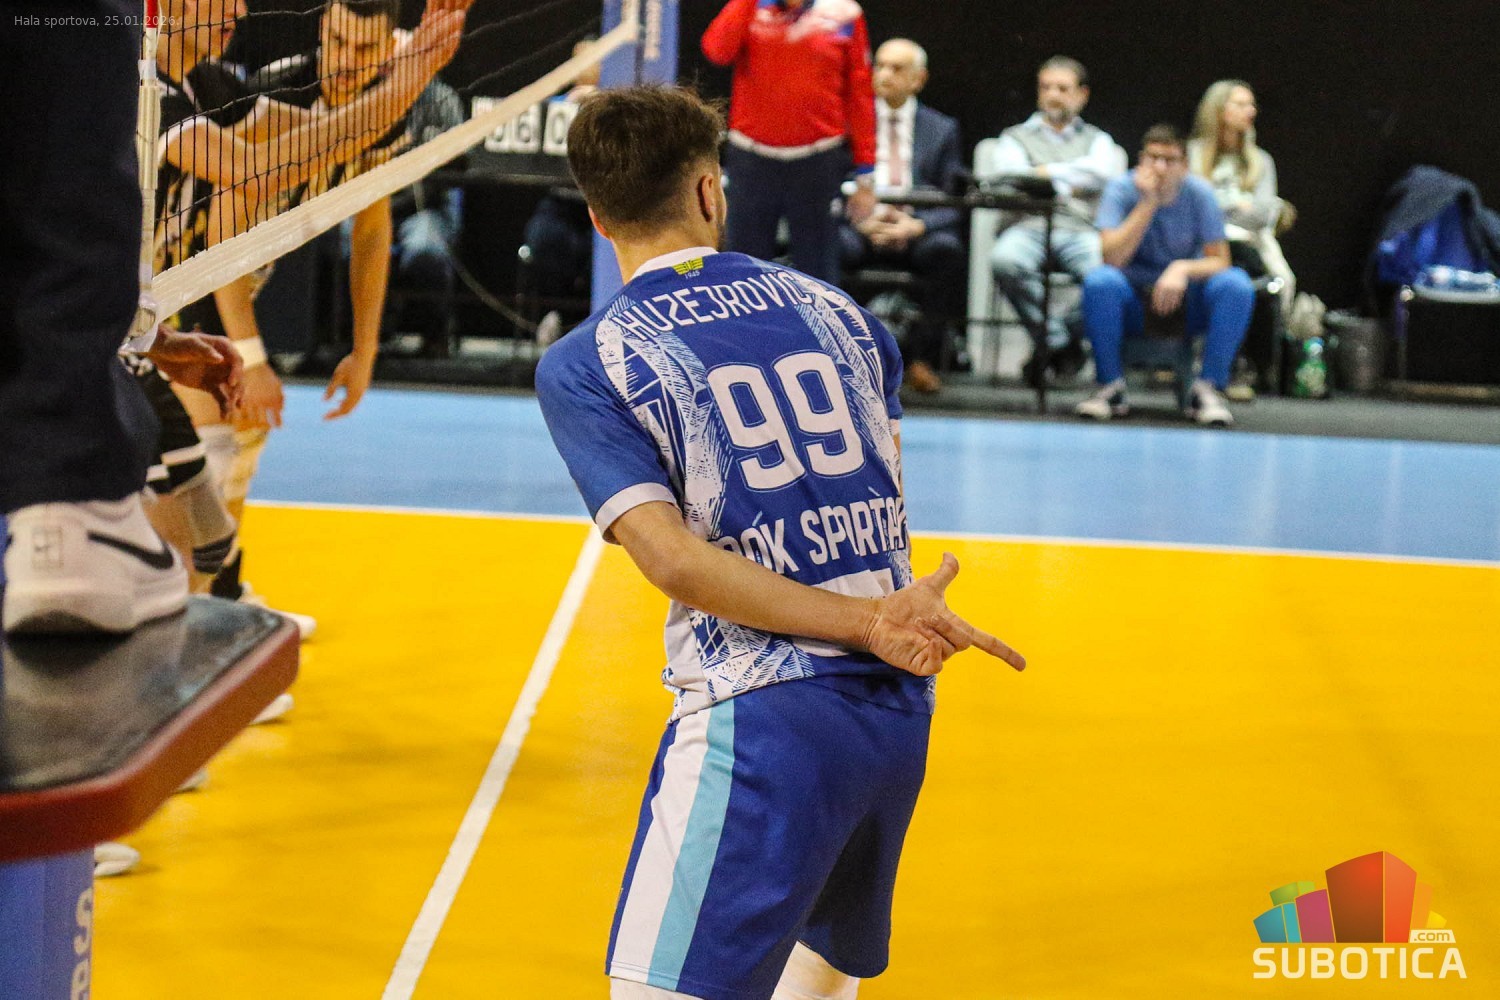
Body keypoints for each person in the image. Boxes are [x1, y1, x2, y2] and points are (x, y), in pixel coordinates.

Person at [536, 85, 1024, 1000]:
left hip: (763, 719)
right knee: (819, 975)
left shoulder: (588, 362)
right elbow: (881, 496)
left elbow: (672, 561)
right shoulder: (840, 311)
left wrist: (865, 622)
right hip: (896, 710)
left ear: (597, 217)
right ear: (710, 190)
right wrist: (879, 617)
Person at [0, 2, 242, 635]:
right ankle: (73, 509)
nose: (238, 10)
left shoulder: (211, 87)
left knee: (209, 530)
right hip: (78, 369)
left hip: (110, 336)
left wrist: (148, 334)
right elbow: (249, 169)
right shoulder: (153, 88)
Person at [1077, 124, 1255, 426]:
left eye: (1169, 160)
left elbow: (1220, 260)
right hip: (1134, 301)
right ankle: (1110, 387)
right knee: (1100, 281)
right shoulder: (1120, 190)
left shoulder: (1200, 194)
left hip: (1185, 303)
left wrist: (1181, 268)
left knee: (1236, 284)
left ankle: (1207, 389)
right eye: (1152, 158)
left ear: (1184, 166)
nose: (1159, 167)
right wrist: (1148, 203)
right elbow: (1112, 258)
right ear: (1140, 160)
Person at [703, 0, 878, 283]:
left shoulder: (845, 12)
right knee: (743, 272)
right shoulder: (750, 7)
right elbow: (717, 51)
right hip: (753, 162)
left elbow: (860, 95)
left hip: (818, 164)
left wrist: (866, 175)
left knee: (819, 273)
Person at [985, 56, 1125, 384]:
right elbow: (1009, 174)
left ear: (1082, 95)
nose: (1053, 95)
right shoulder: (1014, 137)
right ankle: (1061, 342)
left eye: (1062, 89)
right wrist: (1071, 181)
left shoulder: (1098, 140)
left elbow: (1102, 173)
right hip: (1026, 227)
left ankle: (1054, 341)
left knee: (1104, 279)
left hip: (1081, 229)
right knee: (1004, 260)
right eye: (1046, 87)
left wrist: (1043, 174)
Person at [838, 38, 964, 394]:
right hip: (861, 226)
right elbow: (829, 184)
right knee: (829, 247)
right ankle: (840, 355)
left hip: (914, 229)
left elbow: (953, 196)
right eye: (879, 66)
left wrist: (918, 225)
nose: (884, 75)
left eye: (896, 68)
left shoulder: (942, 129)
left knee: (946, 250)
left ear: (918, 79)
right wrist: (861, 220)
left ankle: (921, 359)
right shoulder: (850, 122)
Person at [1188, 80, 1296, 306]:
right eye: (1240, 104)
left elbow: (1263, 214)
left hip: (1252, 245)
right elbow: (1190, 210)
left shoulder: (1261, 161)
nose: (1251, 111)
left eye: (1252, 105)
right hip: (1201, 244)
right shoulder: (1191, 155)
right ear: (1218, 109)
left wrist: (1215, 205)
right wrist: (1236, 204)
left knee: (1284, 281)